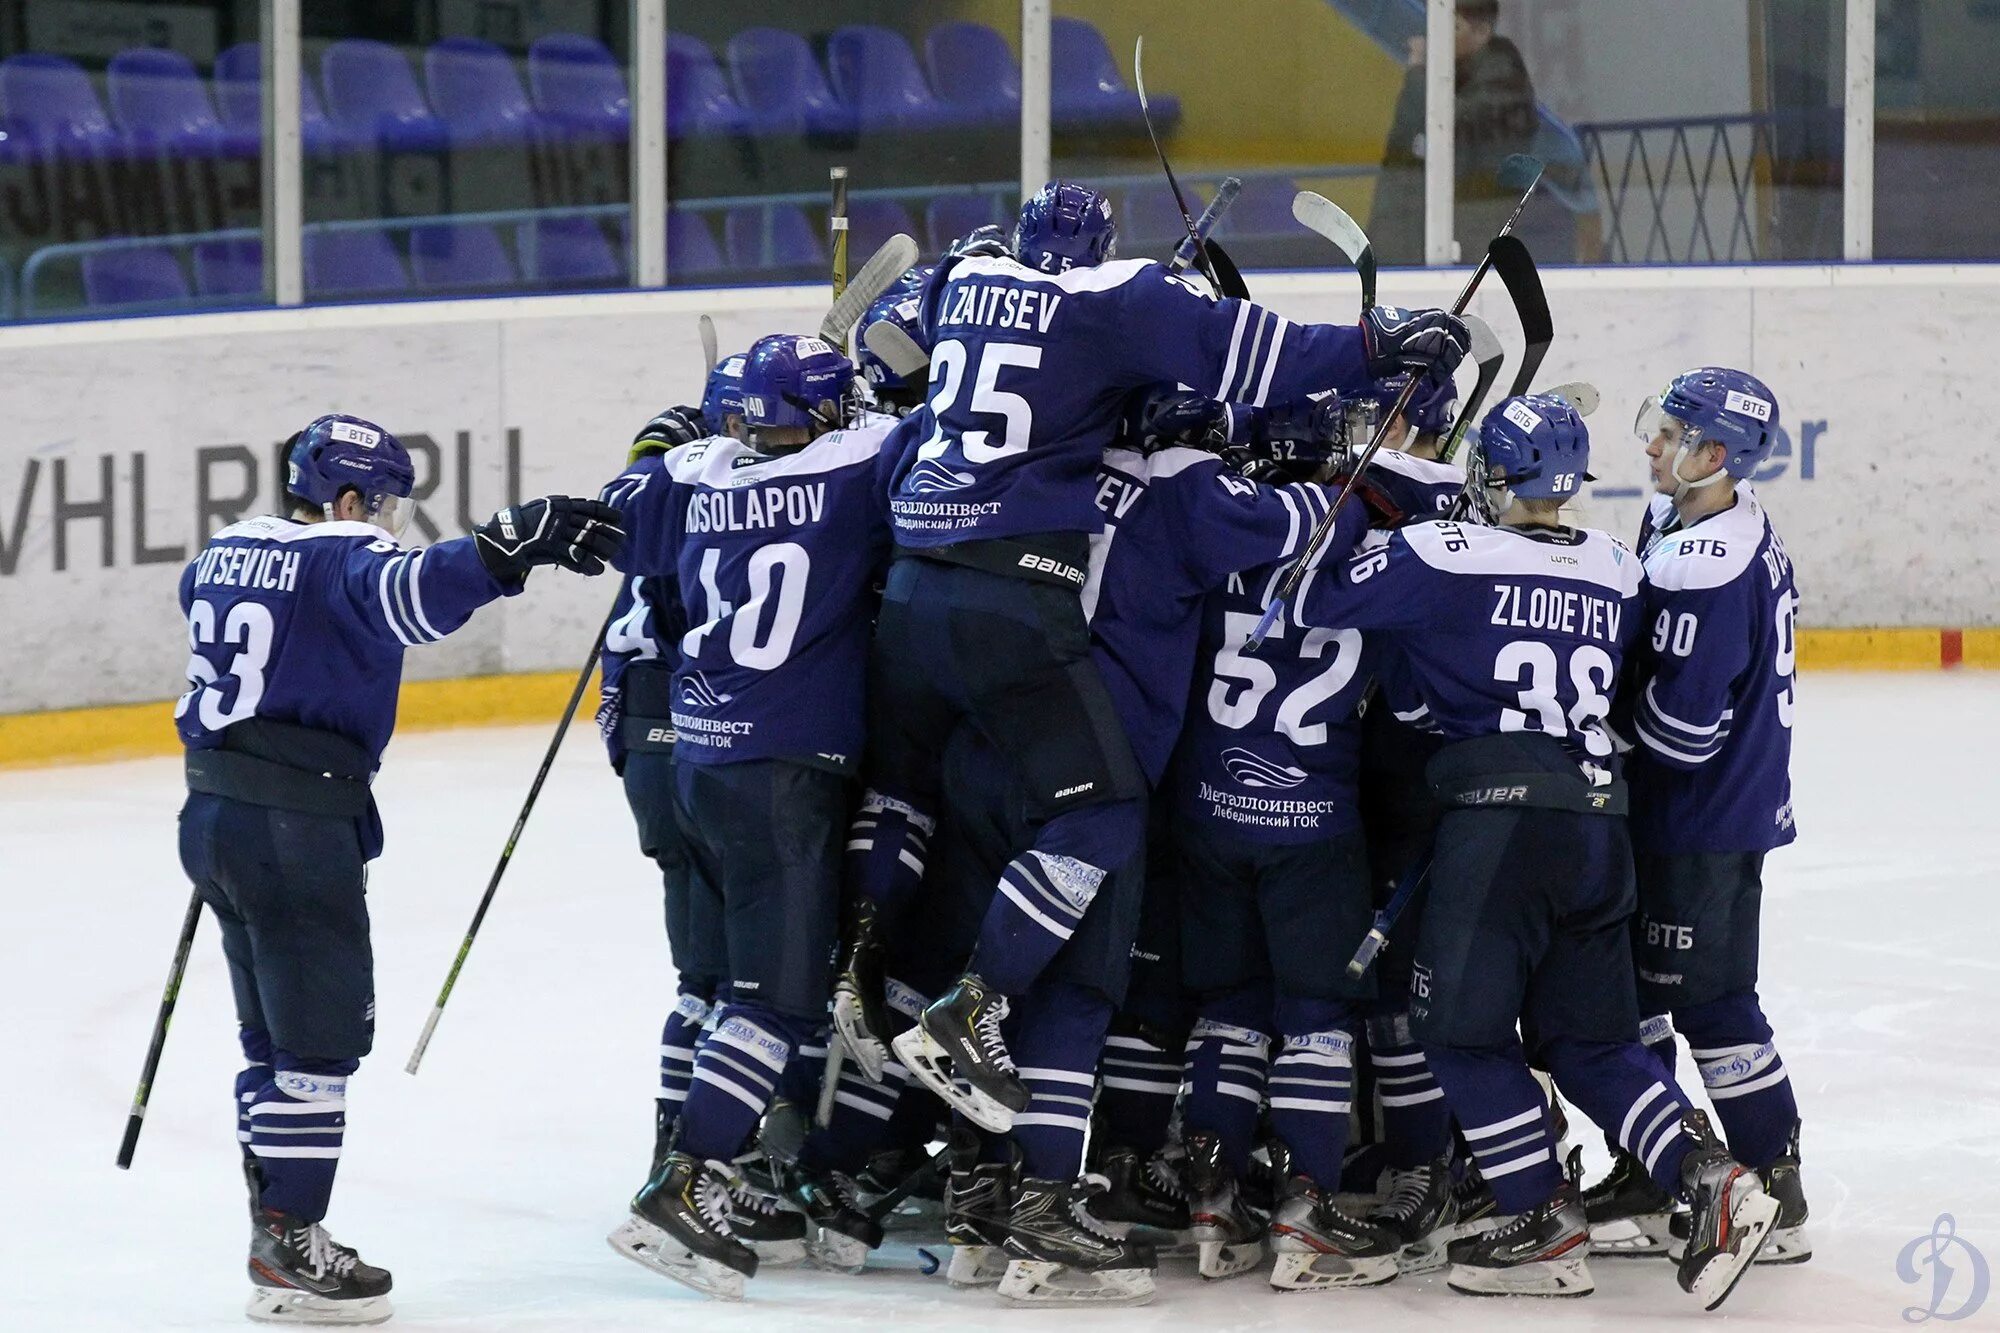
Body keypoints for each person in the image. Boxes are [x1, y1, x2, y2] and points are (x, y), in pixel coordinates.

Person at [843, 180, 1468, 1137]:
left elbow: (911, 335)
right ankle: (973, 1020)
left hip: (923, 605)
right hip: (1027, 619)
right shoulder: (1127, 322)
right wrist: (1375, 350)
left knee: (922, 814)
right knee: (1098, 835)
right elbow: (1251, 356)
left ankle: (876, 1003)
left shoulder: (966, 276)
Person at [1295, 393, 1779, 1309]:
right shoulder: (1616, 566)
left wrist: (1373, 486)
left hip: (1501, 828)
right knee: (1589, 1040)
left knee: (1458, 1032)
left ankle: (1541, 1218)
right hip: (1600, 822)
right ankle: (1713, 1176)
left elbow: (1318, 590)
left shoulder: (1445, 552)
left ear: (1495, 475)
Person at [920, 388, 1370, 1304]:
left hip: (993, 735)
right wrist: (1350, 473)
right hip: (1099, 754)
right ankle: (1035, 1184)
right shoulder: (1191, 492)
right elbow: (1315, 512)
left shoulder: (1061, 461)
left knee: (1031, 990)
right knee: (1078, 993)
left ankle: (986, 1207)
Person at [176, 415, 620, 1325]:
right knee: (318, 1045)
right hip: (296, 824)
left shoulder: (220, 552)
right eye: (378, 504)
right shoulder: (344, 558)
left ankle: (274, 1229)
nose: (385, 521)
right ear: (344, 499)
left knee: (272, 1038)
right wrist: (510, 542)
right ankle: (292, 1239)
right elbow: (415, 591)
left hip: (214, 810)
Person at [601, 334, 910, 1300]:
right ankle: (690, 1182)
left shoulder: (694, 473)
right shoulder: (859, 465)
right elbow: (938, 438)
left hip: (697, 759)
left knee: (732, 979)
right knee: (774, 1000)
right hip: (783, 769)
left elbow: (629, 503)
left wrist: (688, 432)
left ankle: (699, 1163)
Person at [1584, 368, 1810, 1265]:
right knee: (1635, 994)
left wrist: (1587, 724)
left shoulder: (1709, 564)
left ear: (1716, 454)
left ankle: (1774, 1183)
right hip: (1705, 811)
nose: (1650, 443)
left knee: (1712, 1003)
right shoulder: (1694, 517)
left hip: (1701, 818)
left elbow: (1680, 734)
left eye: (1670, 432)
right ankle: (1653, 1169)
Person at [1370, 0, 1539, 264]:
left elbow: (1456, 127)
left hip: (1478, 228)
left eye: (1454, 26)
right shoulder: (1452, 72)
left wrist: (1418, 73)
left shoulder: (1502, 76)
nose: (1436, 36)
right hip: (1433, 227)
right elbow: (1402, 145)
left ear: (1481, 32)